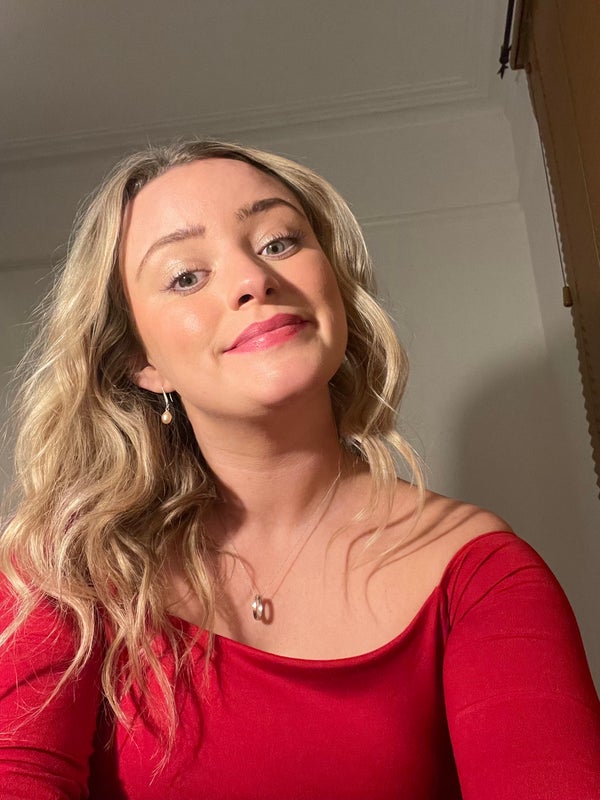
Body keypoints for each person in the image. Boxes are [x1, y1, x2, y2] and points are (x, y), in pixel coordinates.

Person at [0, 140, 599, 800]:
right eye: (186, 276)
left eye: (279, 242)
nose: (253, 280)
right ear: (141, 362)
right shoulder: (63, 573)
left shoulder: (482, 574)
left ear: (334, 287)